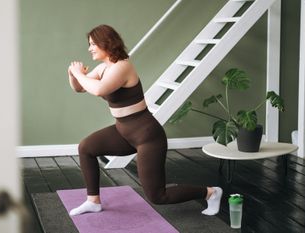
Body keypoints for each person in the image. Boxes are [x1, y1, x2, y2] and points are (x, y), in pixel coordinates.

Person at [67, 24, 222, 216]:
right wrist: (72, 74)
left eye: (92, 44)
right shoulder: (102, 69)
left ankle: (211, 193)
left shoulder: (122, 66)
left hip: (147, 136)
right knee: (86, 147)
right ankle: (93, 201)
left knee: (158, 196)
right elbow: (80, 88)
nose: (89, 48)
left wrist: (79, 74)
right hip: (123, 132)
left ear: (105, 42)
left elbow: (99, 89)